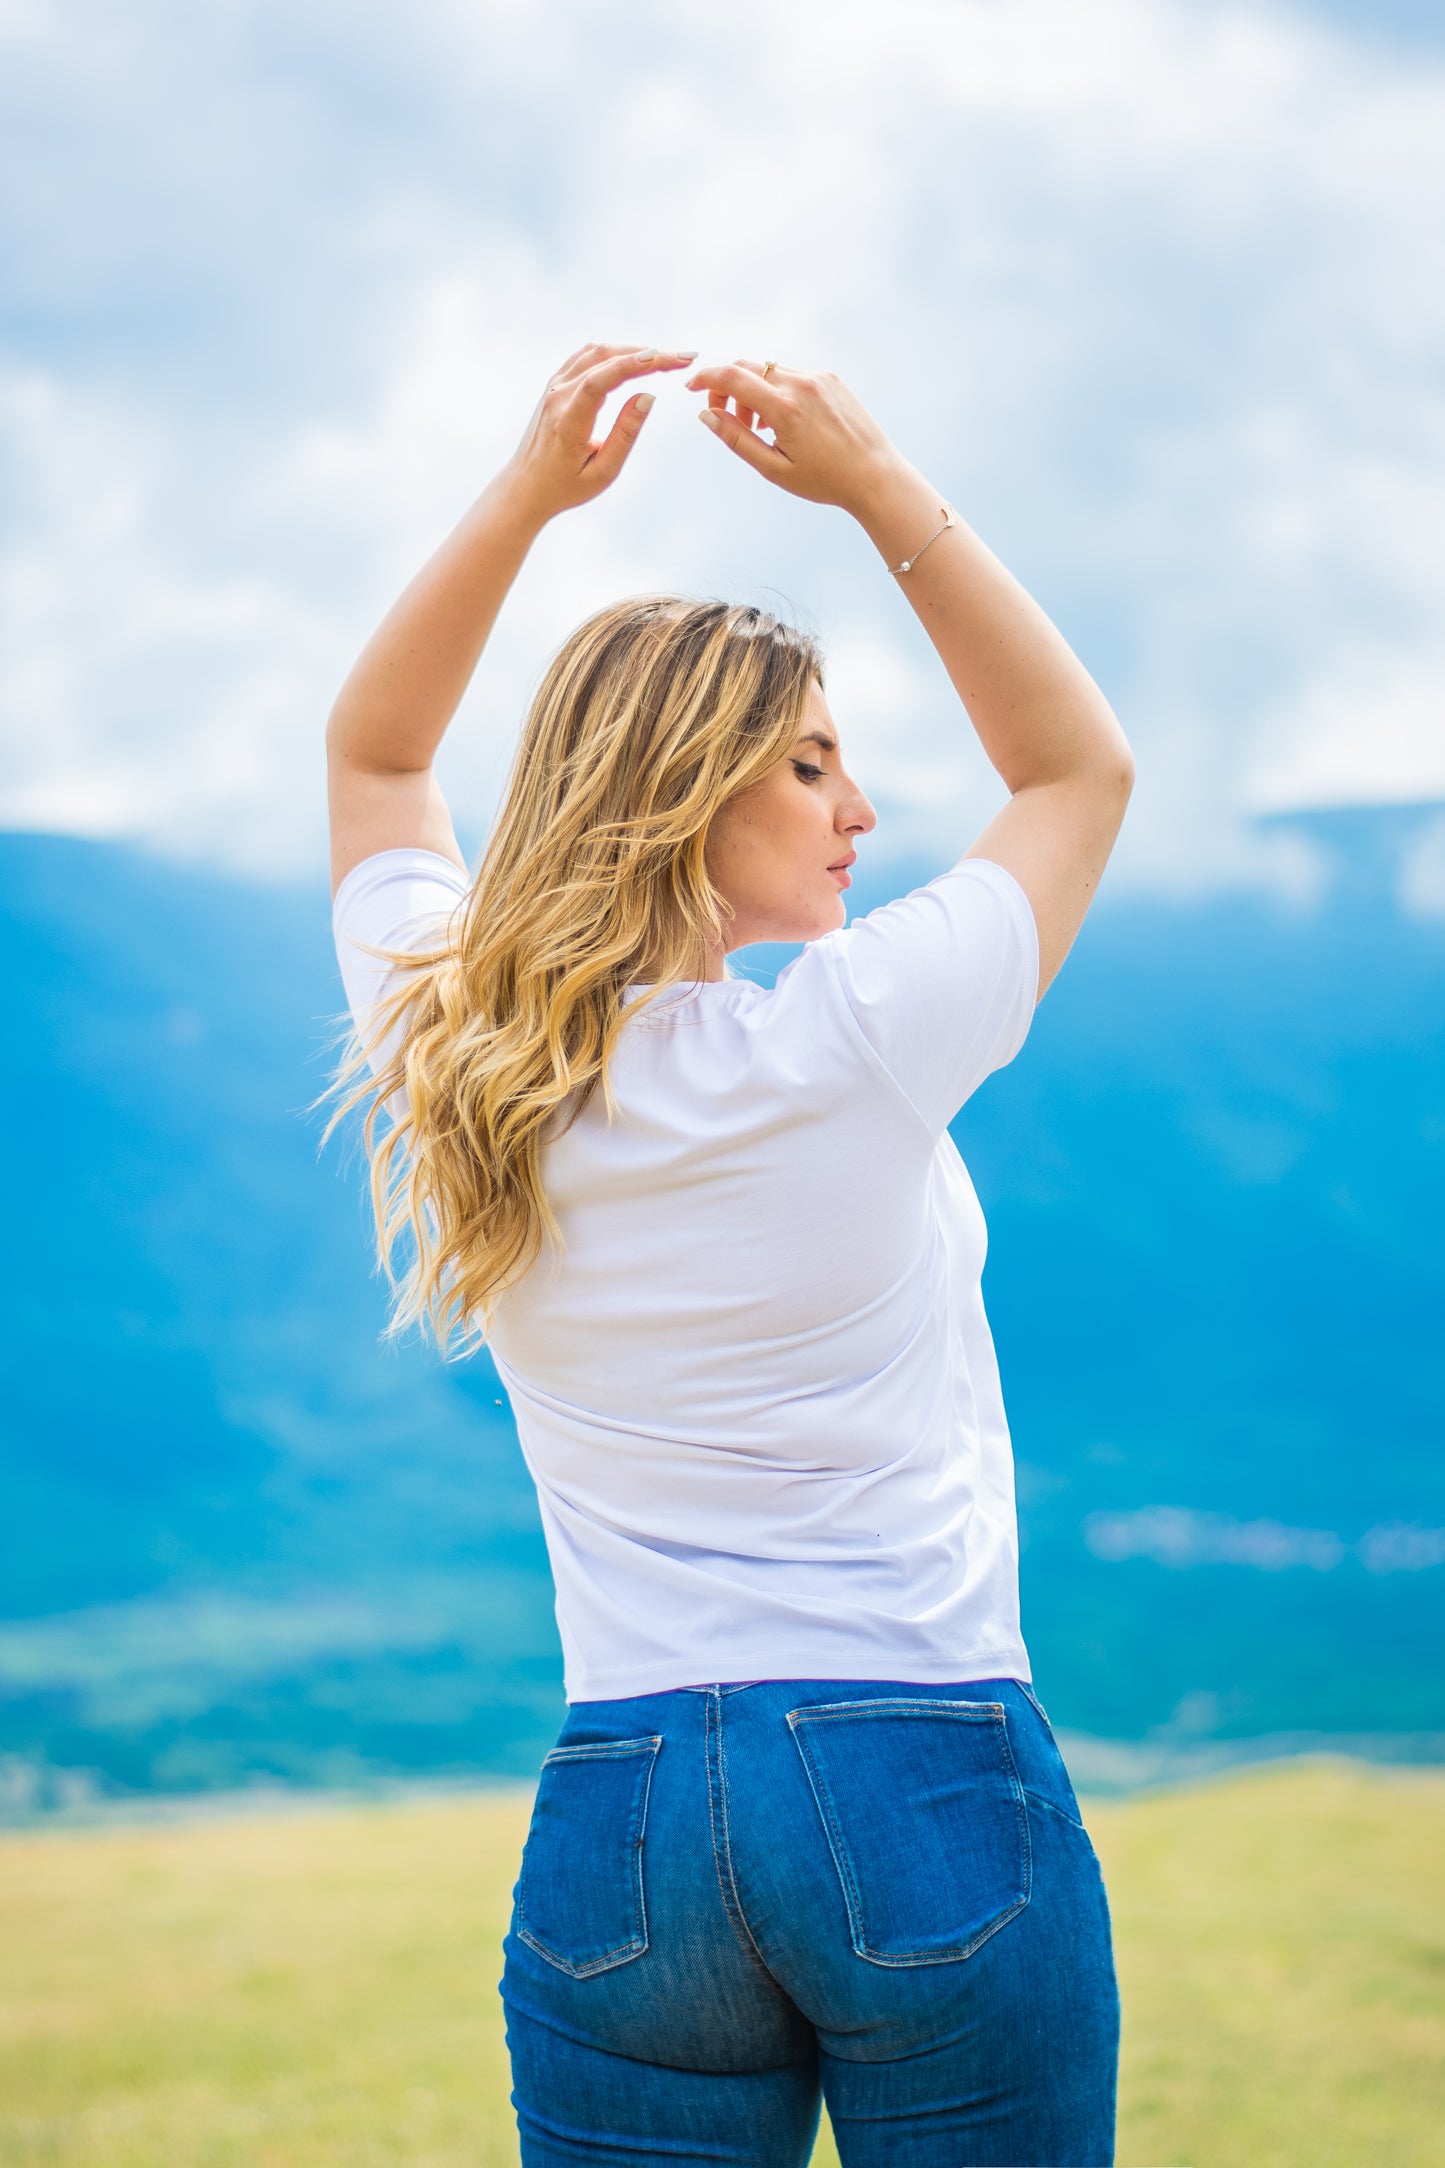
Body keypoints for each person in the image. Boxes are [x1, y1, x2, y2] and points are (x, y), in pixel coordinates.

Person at [324, 342, 1135, 2166]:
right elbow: (1075, 767)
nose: (860, 809)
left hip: (624, 1815)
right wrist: (869, 482)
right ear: (688, 792)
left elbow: (376, 756)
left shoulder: (463, 1057)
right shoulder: (845, 1042)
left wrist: (531, 490)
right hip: (917, 1766)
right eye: (809, 761)